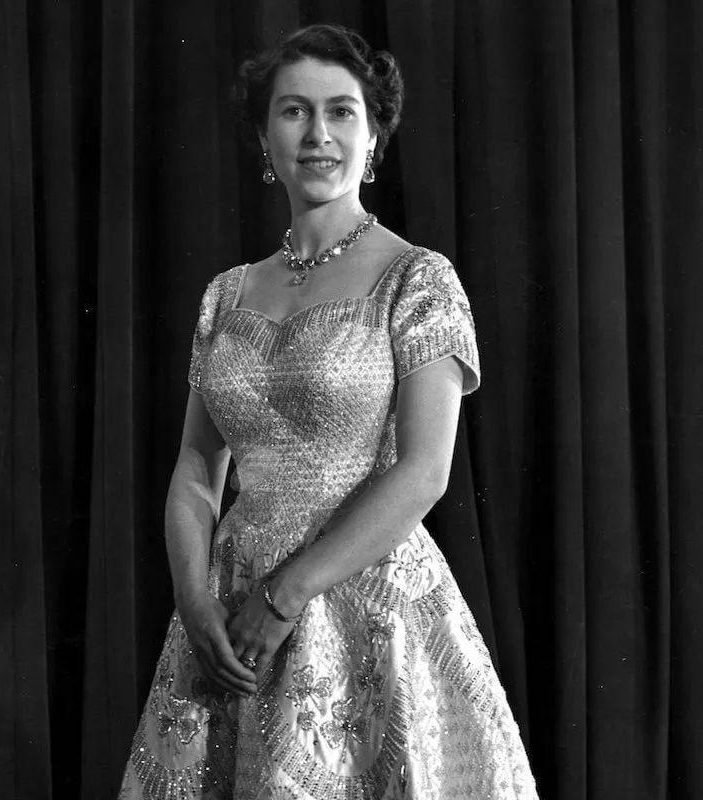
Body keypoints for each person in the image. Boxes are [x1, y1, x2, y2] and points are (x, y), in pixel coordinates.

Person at [118, 24, 538, 800]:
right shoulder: (226, 293)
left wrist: (286, 594)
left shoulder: (418, 279)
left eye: (342, 112)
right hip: (228, 615)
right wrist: (193, 598)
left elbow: (424, 471)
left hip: (360, 601)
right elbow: (194, 468)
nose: (318, 135)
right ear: (262, 136)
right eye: (294, 112)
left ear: (374, 134)